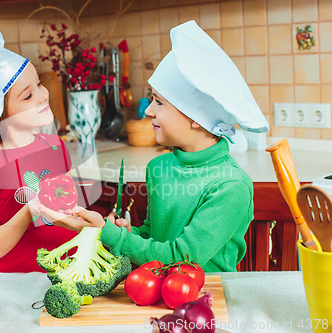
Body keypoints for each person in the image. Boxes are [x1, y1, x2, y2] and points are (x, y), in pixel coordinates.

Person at [38, 21, 269, 272]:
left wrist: (108, 234)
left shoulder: (230, 186)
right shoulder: (159, 167)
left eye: (158, 102)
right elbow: (154, 236)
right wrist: (129, 232)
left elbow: (181, 258)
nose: (148, 111)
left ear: (195, 117)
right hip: (157, 290)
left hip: (207, 299)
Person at [0, 30, 77, 273]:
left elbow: (70, 214)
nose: (43, 96)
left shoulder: (56, 146)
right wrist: (31, 209)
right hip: (16, 288)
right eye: (28, 95)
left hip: (70, 274)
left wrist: (103, 227)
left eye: (39, 84)